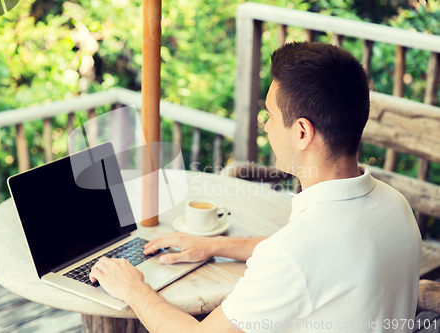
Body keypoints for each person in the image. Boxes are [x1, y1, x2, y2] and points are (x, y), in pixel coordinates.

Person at [89, 42, 422, 333]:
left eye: (270, 115)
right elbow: (317, 256)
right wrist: (215, 246)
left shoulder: (296, 252)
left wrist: (133, 288)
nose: (266, 127)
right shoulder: (394, 206)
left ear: (302, 132)